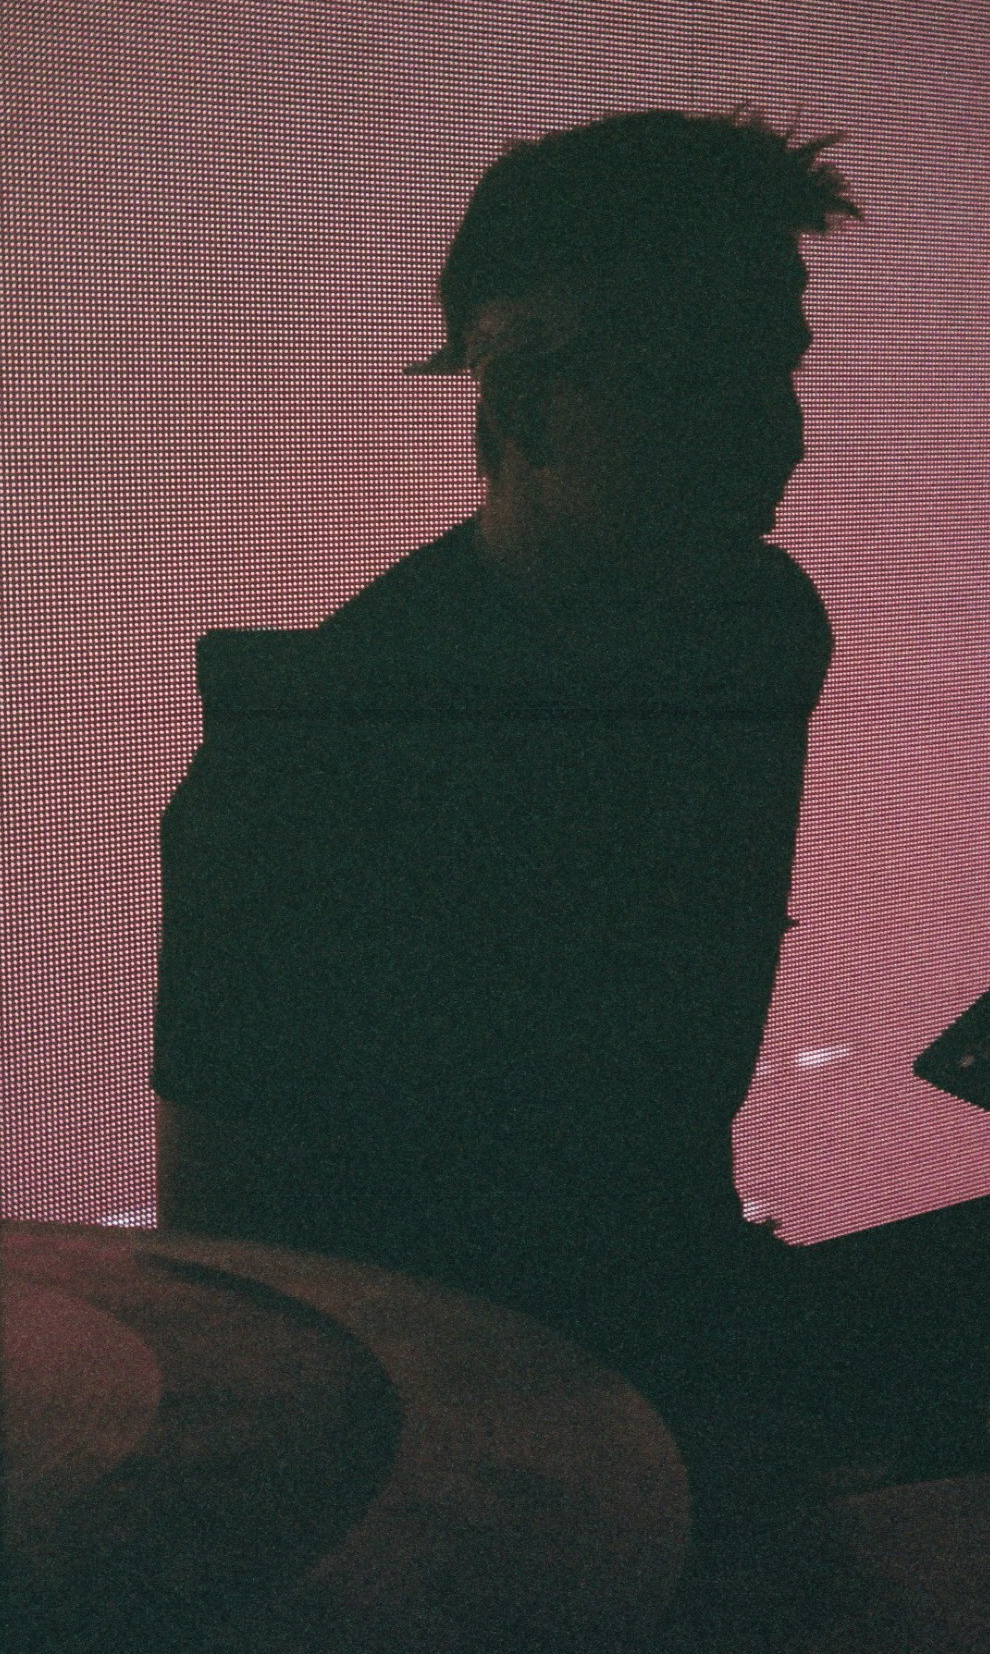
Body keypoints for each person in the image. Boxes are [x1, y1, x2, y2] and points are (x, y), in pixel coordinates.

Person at [151, 106, 861, 1633]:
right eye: (715, 382)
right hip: (440, 1482)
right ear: (531, 405)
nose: (785, 433)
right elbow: (233, 1267)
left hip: (674, 1377)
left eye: (785, 366)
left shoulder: (759, 625)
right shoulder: (305, 772)